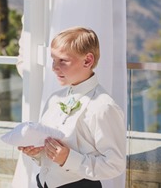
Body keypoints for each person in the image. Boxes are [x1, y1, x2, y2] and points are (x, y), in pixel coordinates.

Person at [18, 26, 126, 188]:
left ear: (87, 61)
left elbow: (114, 165)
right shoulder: (55, 98)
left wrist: (69, 159)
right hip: (44, 183)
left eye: (63, 60)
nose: (54, 67)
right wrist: (38, 153)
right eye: (53, 60)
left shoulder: (103, 107)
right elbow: (52, 148)